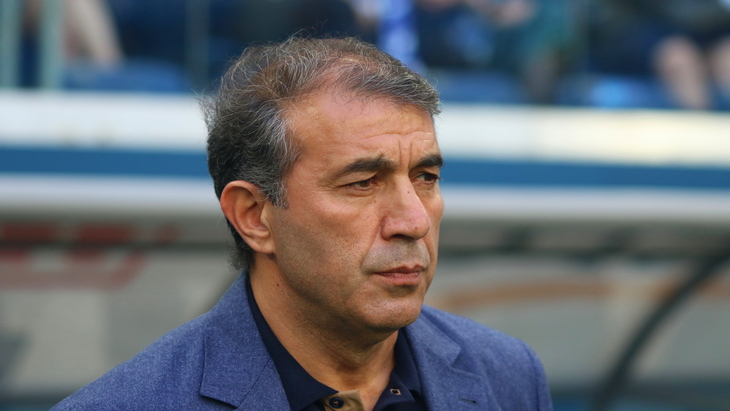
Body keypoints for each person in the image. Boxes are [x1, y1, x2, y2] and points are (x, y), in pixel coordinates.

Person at [51, 37, 553, 411]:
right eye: (362, 183)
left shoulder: (508, 376)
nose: (414, 220)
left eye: (426, 177)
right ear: (254, 216)